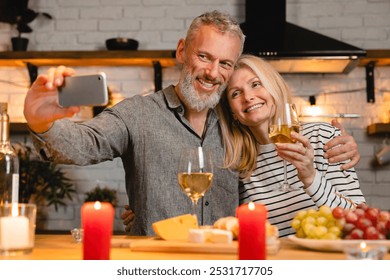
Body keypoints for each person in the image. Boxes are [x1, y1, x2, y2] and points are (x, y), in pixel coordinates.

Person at [24, 11, 360, 236]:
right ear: (183, 51)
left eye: (225, 63)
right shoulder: (138, 114)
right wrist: (41, 120)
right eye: (204, 57)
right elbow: (84, 145)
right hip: (155, 265)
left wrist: (333, 145)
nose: (213, 73)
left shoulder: (236, 124)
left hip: (226, 268)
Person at [216, 54, 366, 237]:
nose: (248, 97)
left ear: (274, 89)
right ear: (232, 112)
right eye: (235, 93)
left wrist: (311, 178)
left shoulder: (322, 136)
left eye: (256, 84)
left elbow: (360, 219)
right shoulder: (238, 164)